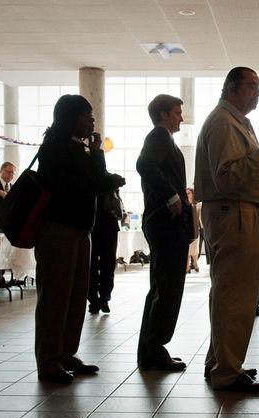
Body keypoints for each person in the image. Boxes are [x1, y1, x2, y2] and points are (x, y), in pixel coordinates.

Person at [194, 66, 259, 392]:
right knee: (236, 295)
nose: (258, 93)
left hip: (237, 212)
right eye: (251, 87)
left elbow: (240, 173)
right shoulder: (223, 122)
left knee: (229, 294)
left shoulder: (236, 121)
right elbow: (227, 178)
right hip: (233, 213)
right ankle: (226, 373)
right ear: (231, 88)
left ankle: (220, 362)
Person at [34, 94, 125, 383]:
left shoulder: (79, 148)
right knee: (55, 296)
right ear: (71, 118)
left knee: (75, 294)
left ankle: (65, 353)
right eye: (87, 116)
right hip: (58, 229)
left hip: (80, 229)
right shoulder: (55, 148)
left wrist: (97, 152)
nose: (92, 121)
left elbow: (94, 179)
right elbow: (83, 185)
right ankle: (48, 359)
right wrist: (109, 180)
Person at [136, 94, 190, 371]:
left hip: (164, 224)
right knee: (167, 288)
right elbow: (144, 165)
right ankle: (154, 348)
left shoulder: (164, 138)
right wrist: (171, 196)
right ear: (163, 114)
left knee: (161, 287)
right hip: (166, 223)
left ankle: (151, 348)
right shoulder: (158, 136)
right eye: (177, 112)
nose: (181, 117)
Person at [87, 189, 122, 314]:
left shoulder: (91, 180)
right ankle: (104, 298)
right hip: (109, 227)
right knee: (108, 264)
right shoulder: (112, 183)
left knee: (92, 266)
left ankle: (94, 300)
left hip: (92, 226)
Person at [186, 187, 200, 273]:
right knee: (187, 248)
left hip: (195, 228)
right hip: (186, 228)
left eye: (189, 193)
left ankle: (195, 263)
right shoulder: (184, 204)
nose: (187, 195)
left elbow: (199, 217)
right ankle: (187, 266)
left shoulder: (197, 205)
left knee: (194, 248)